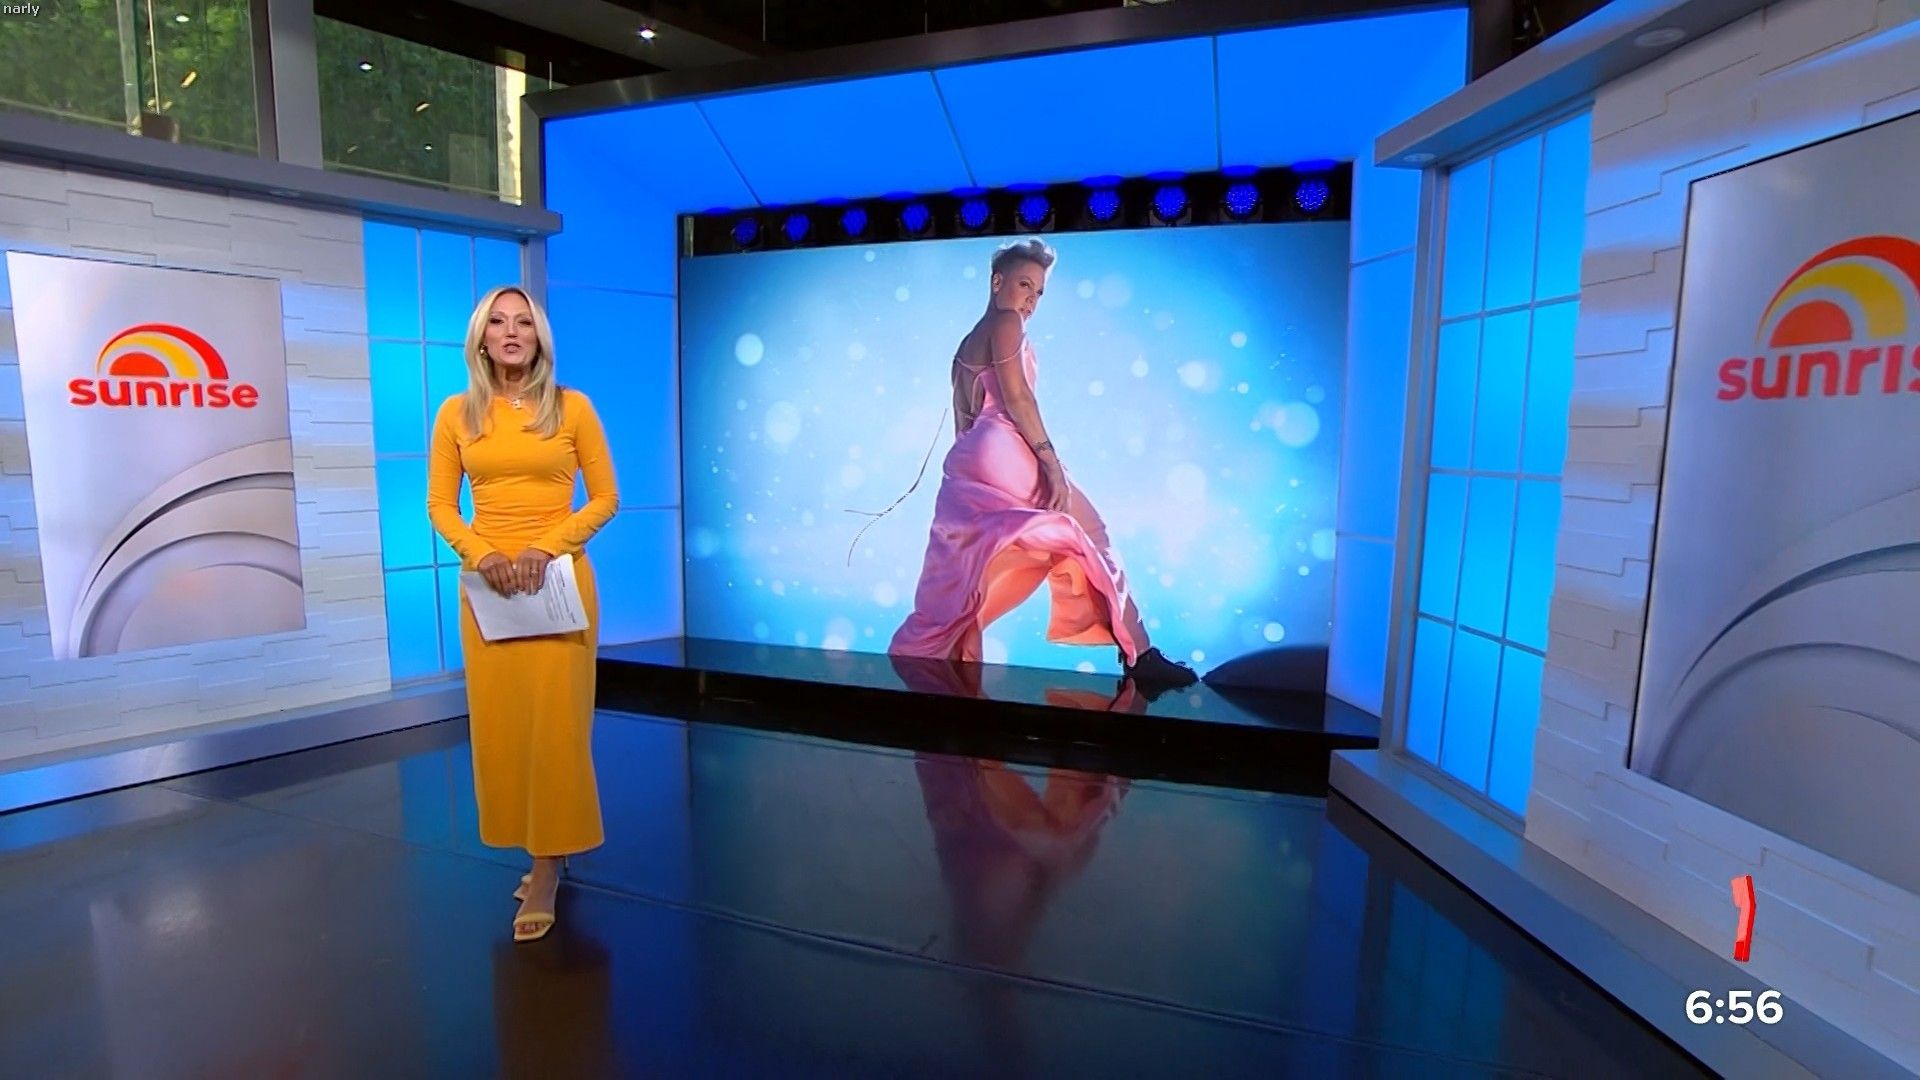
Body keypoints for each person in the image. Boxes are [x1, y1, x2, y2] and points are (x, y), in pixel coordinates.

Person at [890, 238, 1197, 692]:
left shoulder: (965, 344)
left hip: (973, 453)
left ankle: (929, 661)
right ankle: (1142, 656)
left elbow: (963, 423)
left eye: (1038, 292)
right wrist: (1050, 463)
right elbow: (1017, 397)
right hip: (1008, 444)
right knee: (1092, 533)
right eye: (1024, 285)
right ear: (997, 282)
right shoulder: (1007, 322)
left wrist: (972, 476)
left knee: (977, 560)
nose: (1030, 301)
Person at [427, 286, 619, 943]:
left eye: (525, 323)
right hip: (490, 588)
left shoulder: (572, 407)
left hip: (557, 581)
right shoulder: (455, 414)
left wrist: (547, 547)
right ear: (481, 339)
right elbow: (440, 506)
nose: (512, 332)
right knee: (505, 728)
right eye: (499, 323)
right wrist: (482, 554)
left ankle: (545, 868)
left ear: (540, 338)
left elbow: (605, 499)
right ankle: (538, 846)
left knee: (556, 729)